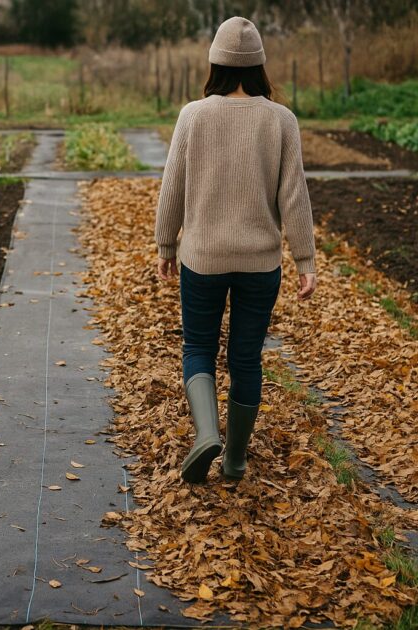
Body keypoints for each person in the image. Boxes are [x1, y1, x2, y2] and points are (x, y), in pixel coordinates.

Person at [154, 16, 317, 484]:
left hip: (202, 257)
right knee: (246, 357)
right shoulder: (281, 120)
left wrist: (166, 242)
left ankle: (207, 433)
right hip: (260, 261)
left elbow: (173, 187)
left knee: (199, 346)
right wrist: (305, 259)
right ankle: (236, 460)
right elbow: (295, 196)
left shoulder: (194, 115)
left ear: (216, 65)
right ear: (259, 66)